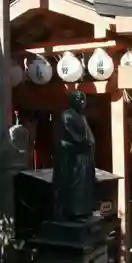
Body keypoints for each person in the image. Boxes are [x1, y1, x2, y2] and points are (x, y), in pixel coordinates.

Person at [52, 90, 96, 220]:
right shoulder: (67, 116)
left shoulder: (82, 117)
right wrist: (84, 142)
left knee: (84, 184)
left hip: (84, 156)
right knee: (72, 184)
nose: (82, 102)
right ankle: (72, 212)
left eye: (84, 99)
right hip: (72, 155)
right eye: (79, 99)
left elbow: (89, 137)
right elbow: (75, 136)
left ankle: (83, 210)